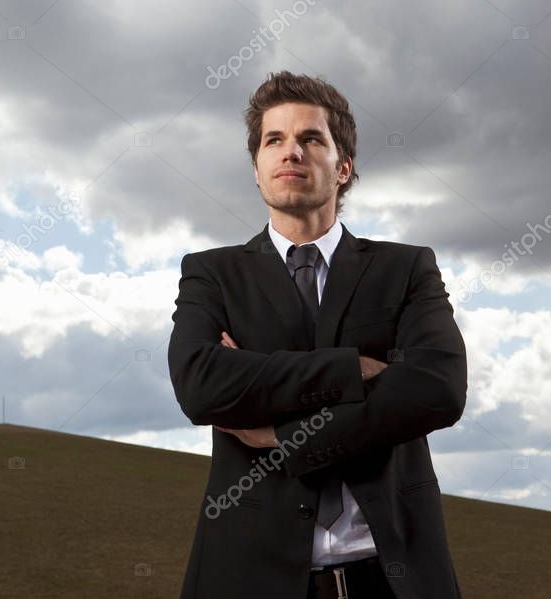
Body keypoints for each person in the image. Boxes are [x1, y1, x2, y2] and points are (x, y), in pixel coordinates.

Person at [168, 70, 467, 599]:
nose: (291, 153)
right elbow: (201, 385)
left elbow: (438, 388)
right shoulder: (211, 274)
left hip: (394, 576)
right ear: (257, 170)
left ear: (343, 167)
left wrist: (284, 435)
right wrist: (352, 368)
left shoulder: (406, 268)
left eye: (310, 139)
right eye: (273, 141)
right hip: (248, 579)